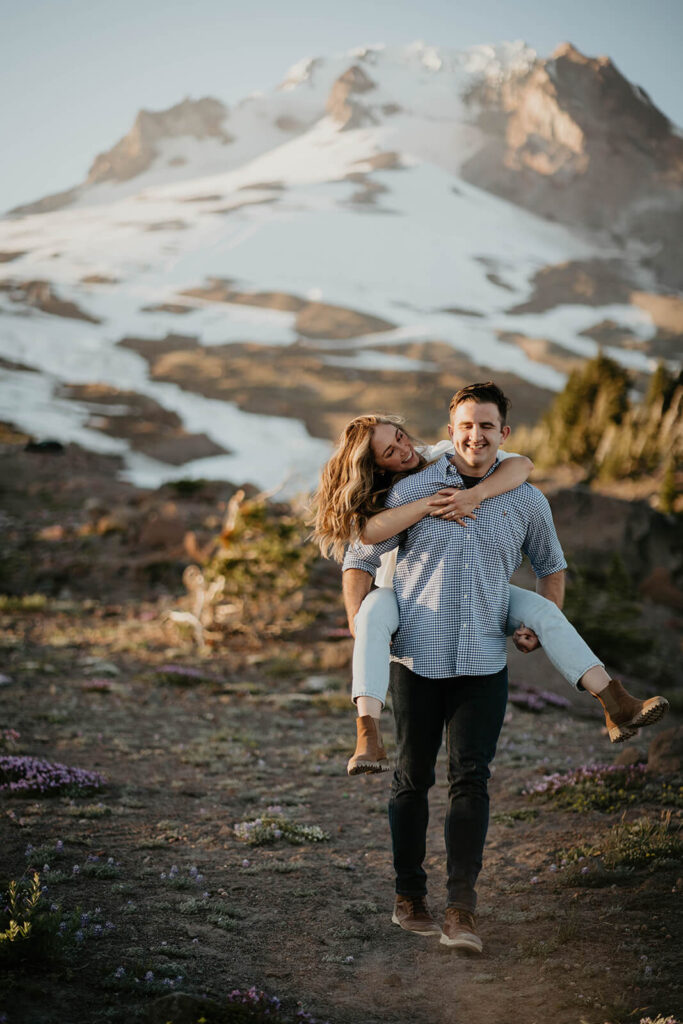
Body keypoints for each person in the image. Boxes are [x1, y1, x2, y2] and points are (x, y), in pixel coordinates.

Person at [334, 383, 668, 953]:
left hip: (483, 664)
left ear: (503, 434)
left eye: (487, 426)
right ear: (451, 428)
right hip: (416, 661)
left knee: (473, 783)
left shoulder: (526, 499)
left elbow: (551, 566)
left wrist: (542, 624)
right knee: (411, 781)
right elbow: (358, 556)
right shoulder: (412, 490)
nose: (475, 435)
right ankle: (408, 896)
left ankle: (461, 911)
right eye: (466, 425)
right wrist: (363, 624)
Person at [311, 408, 668, 778]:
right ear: (377, 467)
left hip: (479, 588)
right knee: (371, 614)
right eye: (389, 452)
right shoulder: (393, 494)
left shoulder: (441, 455)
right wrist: (359, 624)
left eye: (399, 437)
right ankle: (367, 734)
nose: (403, 450)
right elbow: (362, 547)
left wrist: (475, 495)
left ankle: (616, 703)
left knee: (544, 612)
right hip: (405, 598)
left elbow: (521, 465)